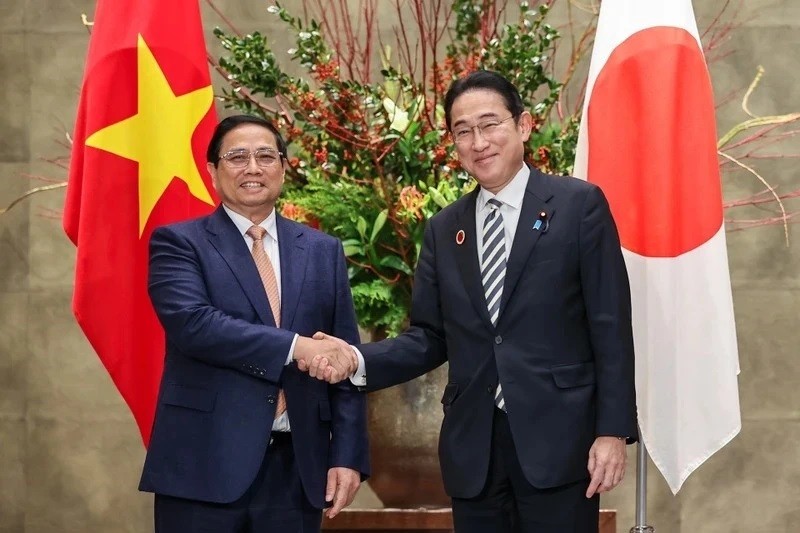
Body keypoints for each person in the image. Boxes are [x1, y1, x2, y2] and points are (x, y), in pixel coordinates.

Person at [305, 71, 637, 533]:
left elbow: (611, 325)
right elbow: (429, 337)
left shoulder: (578, 206)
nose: (478, 142)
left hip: (561, 443)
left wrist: (612, 431)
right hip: (474, 449)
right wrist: (355, 359)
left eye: (490, 124)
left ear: (522, 125)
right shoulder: (445, 228)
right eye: (463, 131)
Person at [139, 114, 368, 533]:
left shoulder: (322, 250)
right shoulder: (178, 242)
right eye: (237, 157)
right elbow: (196, 325)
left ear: (283, 166)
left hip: (298, 468)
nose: (253, 168)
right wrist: (298, 347)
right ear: (212, 171)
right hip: (203, 464)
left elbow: (344, 357)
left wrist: (349, 455)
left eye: (266, 156)